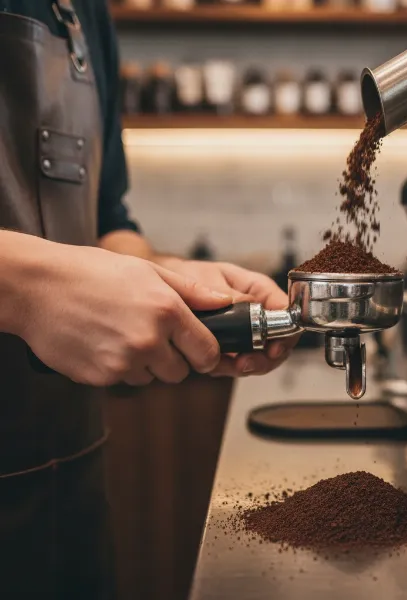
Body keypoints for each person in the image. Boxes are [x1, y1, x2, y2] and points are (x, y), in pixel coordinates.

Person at [0, 1, 296, 597]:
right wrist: (25, 288)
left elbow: (109, 222)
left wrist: (174, 282)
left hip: (69, 476)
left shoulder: (85, 11)